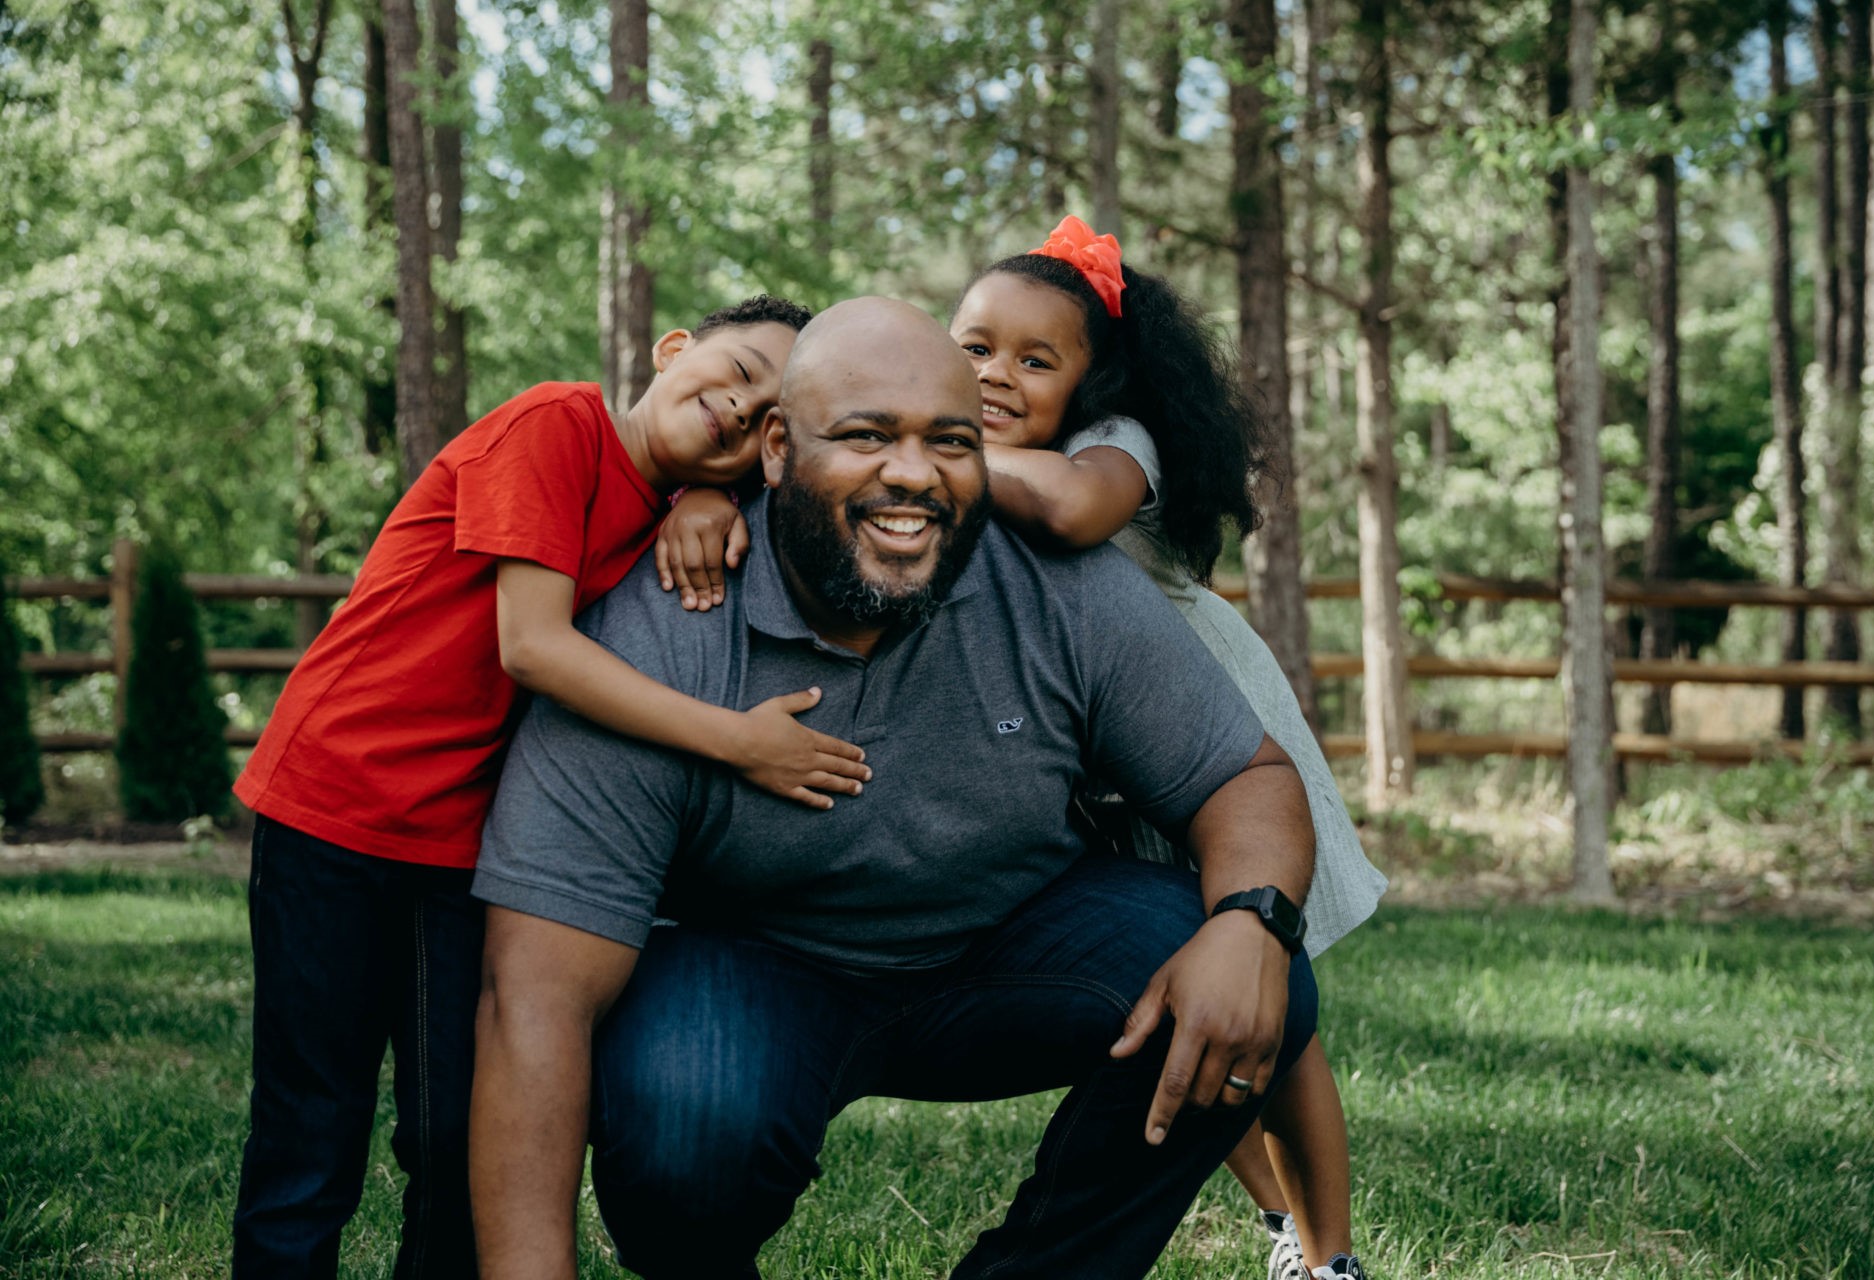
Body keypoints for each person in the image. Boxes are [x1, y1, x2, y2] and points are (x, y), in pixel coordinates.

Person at [468, 296, 1321, 1279]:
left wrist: (1253, 918)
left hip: (1012, 940)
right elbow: (531, 999)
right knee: (681, 1118)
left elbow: (1243, 773)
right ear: (779, 446)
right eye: (868, 435)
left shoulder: (1057, 583)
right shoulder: (661, 632)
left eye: (950, 442)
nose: (912, 473)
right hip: (757, 964)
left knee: (1260, 972)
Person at [228, 296, 860, 1279]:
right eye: (735, 372)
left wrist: (715, 499)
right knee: (314, 1123)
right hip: (336, 803)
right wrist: (737, 742)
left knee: (451, 1132)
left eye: (765, 418)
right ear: (674, 348)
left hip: (457, 843)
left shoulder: (686, 506)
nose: (737, 409)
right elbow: (531, 645)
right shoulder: (553, 421)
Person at [947, 216, 1387, 1280]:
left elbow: (1067, 509)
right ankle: (1278, 1221)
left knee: (1277, 1014)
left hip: (1214, 734)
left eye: (1035, 359)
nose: (997, 375)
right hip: (1103, 763)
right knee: (1189, 1018)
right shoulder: (958, 463)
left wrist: (943, 444)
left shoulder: (1113, 447)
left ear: (1094, 382)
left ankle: (1332, 1258)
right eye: (974, 348)